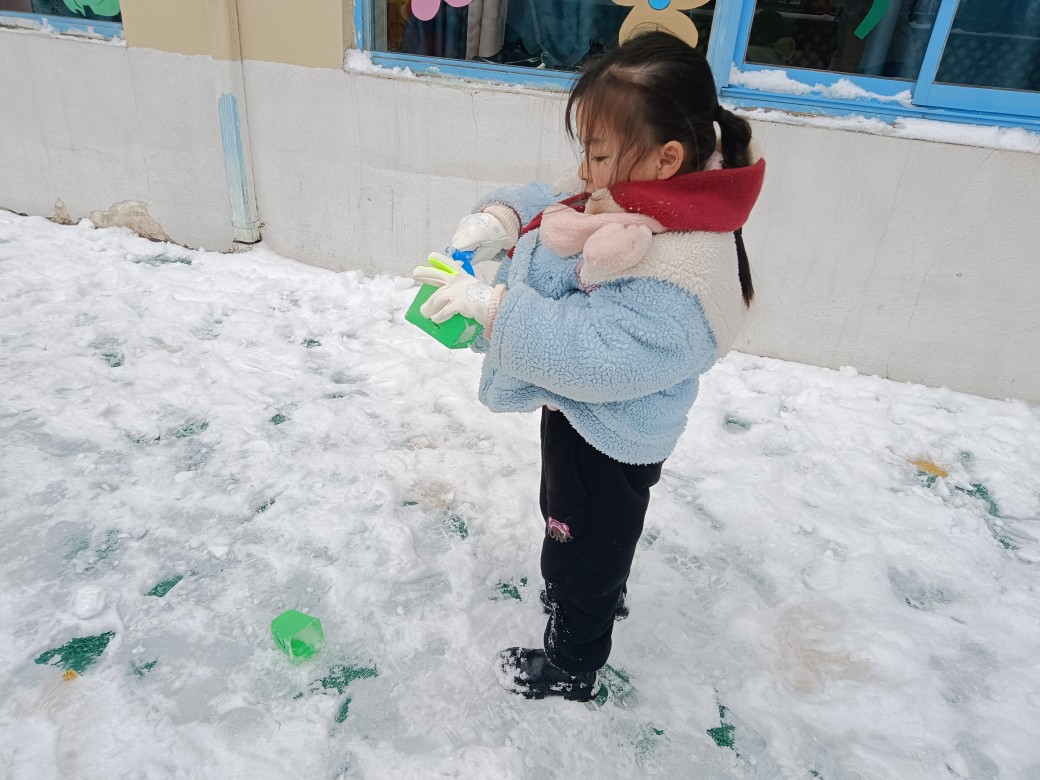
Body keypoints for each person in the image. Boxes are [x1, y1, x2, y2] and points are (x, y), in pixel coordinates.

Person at [413, 30, 765, 702]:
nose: (585, 169)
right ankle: (595, 580)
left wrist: (495, 311)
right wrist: (503, 219)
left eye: (599, 153)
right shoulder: (650, 194)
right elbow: (560, 203)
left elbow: (601, 357)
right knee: (586, 525)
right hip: (585, 418)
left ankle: (573, 661)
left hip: (611, 433)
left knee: (581, 540)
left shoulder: (683, 269)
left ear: (666, 156)